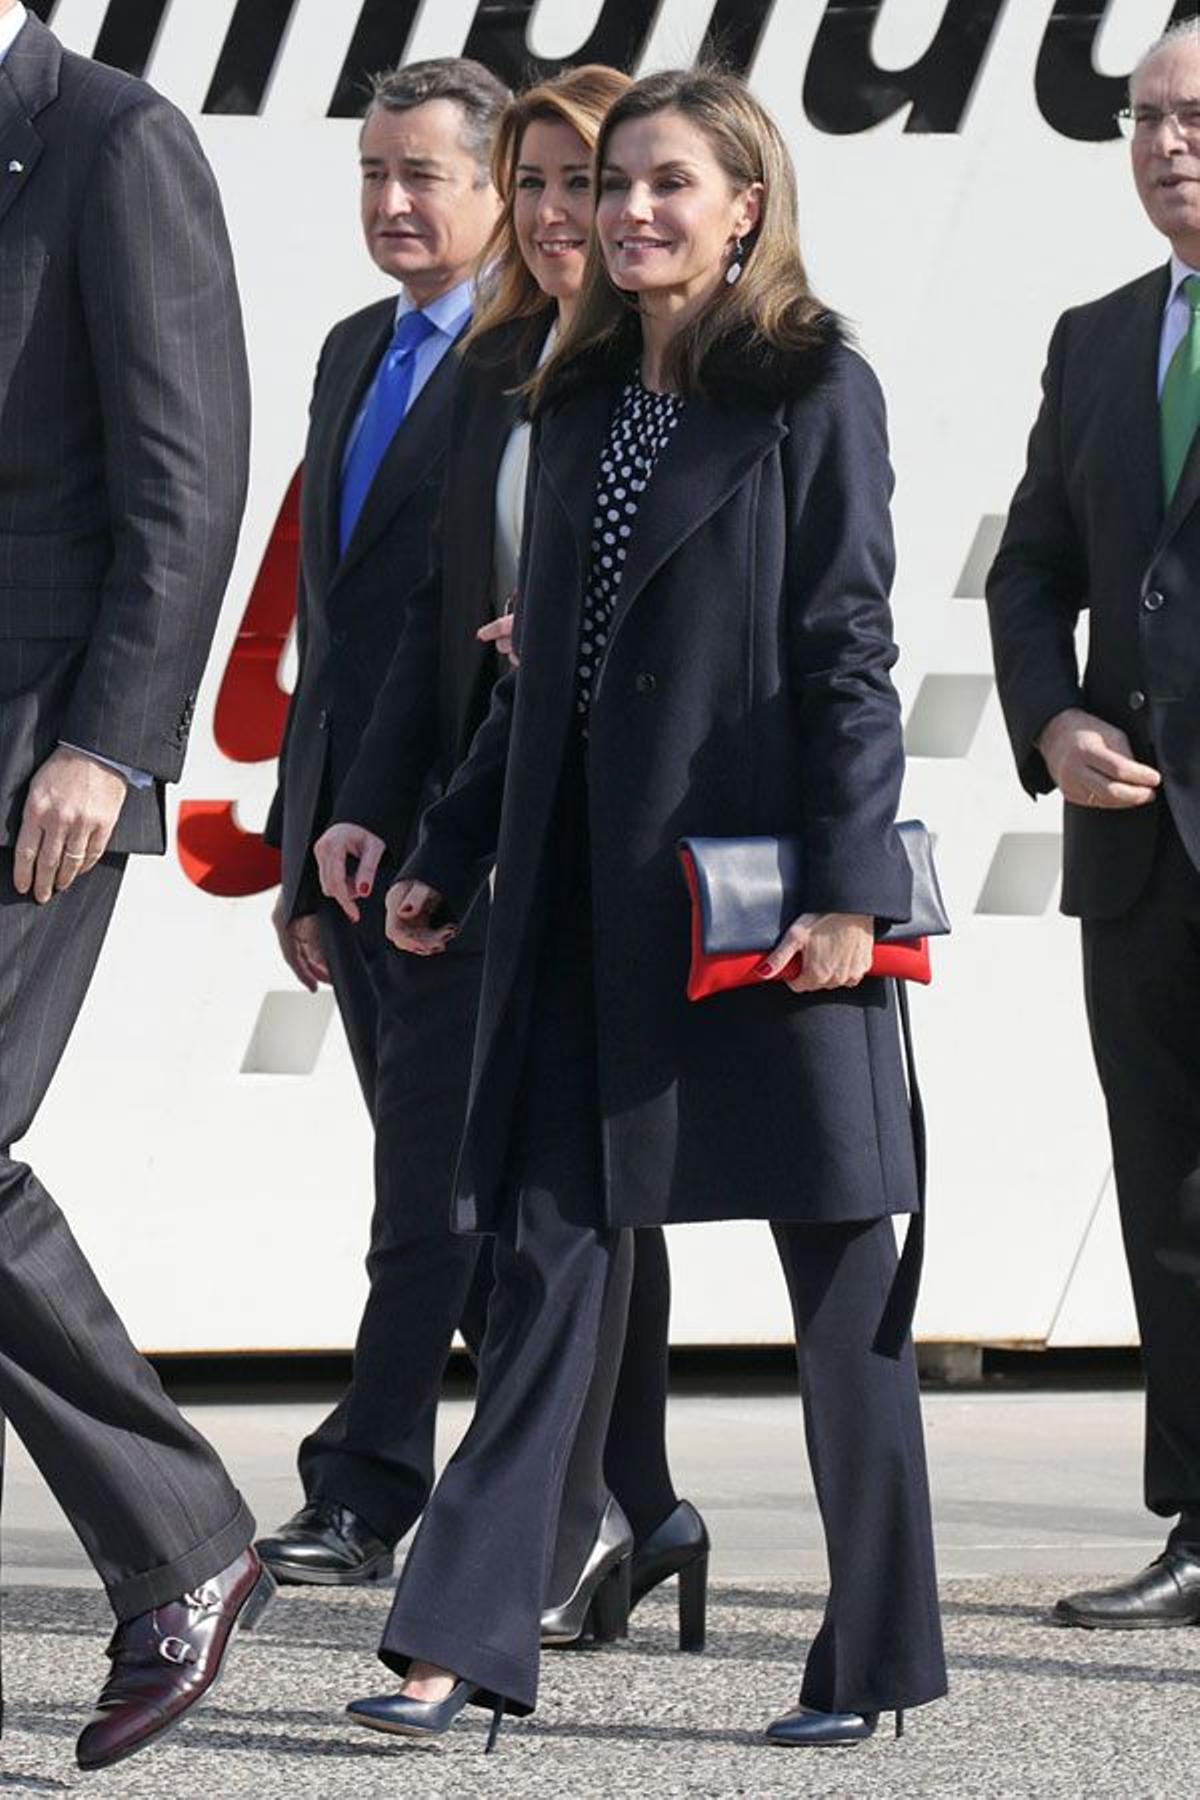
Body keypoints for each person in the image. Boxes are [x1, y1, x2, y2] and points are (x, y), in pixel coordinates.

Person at [347, 66, 947, 1750]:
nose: (626, 215)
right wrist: (450, 849)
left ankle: (877, 1658)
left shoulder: (816, 387)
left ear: (746, 204)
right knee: (542, 1271)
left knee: (841, 1294)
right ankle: (455, 1644)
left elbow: (846, 652)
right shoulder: (582, 393)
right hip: (575, 907)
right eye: (614, 188)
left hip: (753, 907)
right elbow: (546, 677)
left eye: (670, 186)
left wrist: (843, 888)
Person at [316, 63, 707, 1653]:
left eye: (585, 184)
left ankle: (557, 1515)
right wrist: (370, 810)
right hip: (480, 824)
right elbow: (410, 627)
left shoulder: (682, 374)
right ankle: (627, 1507)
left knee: (581, 1196)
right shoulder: (489, 371)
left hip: (618, 834)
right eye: (544, 185)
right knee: (522, 1193)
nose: (566, 215)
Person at [0, 1, 269, 1772]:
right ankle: (185, 1542)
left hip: (37, 757)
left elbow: (190, 472)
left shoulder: (112, 137)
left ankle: (182, 1537)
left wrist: (112, 741)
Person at [255, 58, 509, 1588]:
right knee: (450, 1182)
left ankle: (366, 1486)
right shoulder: (359, 348)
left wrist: (437, 835)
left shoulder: (539, 357)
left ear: (499, 189)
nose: (394, 203)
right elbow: (338, 631)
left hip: (467, 841)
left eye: (425, 174)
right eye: (372, 172)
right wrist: (301, 850)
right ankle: (631, 1490)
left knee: (430, 1183)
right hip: (350, 845)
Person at [988, 19, 1200, 1630]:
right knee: (1172, 1189)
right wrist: (1048, 718)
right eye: (1143, 119)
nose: (1167, 145)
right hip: (1136, 846)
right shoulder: (1094, 334)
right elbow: (1032, 572)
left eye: (1194, 117)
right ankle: (1199, 1519)